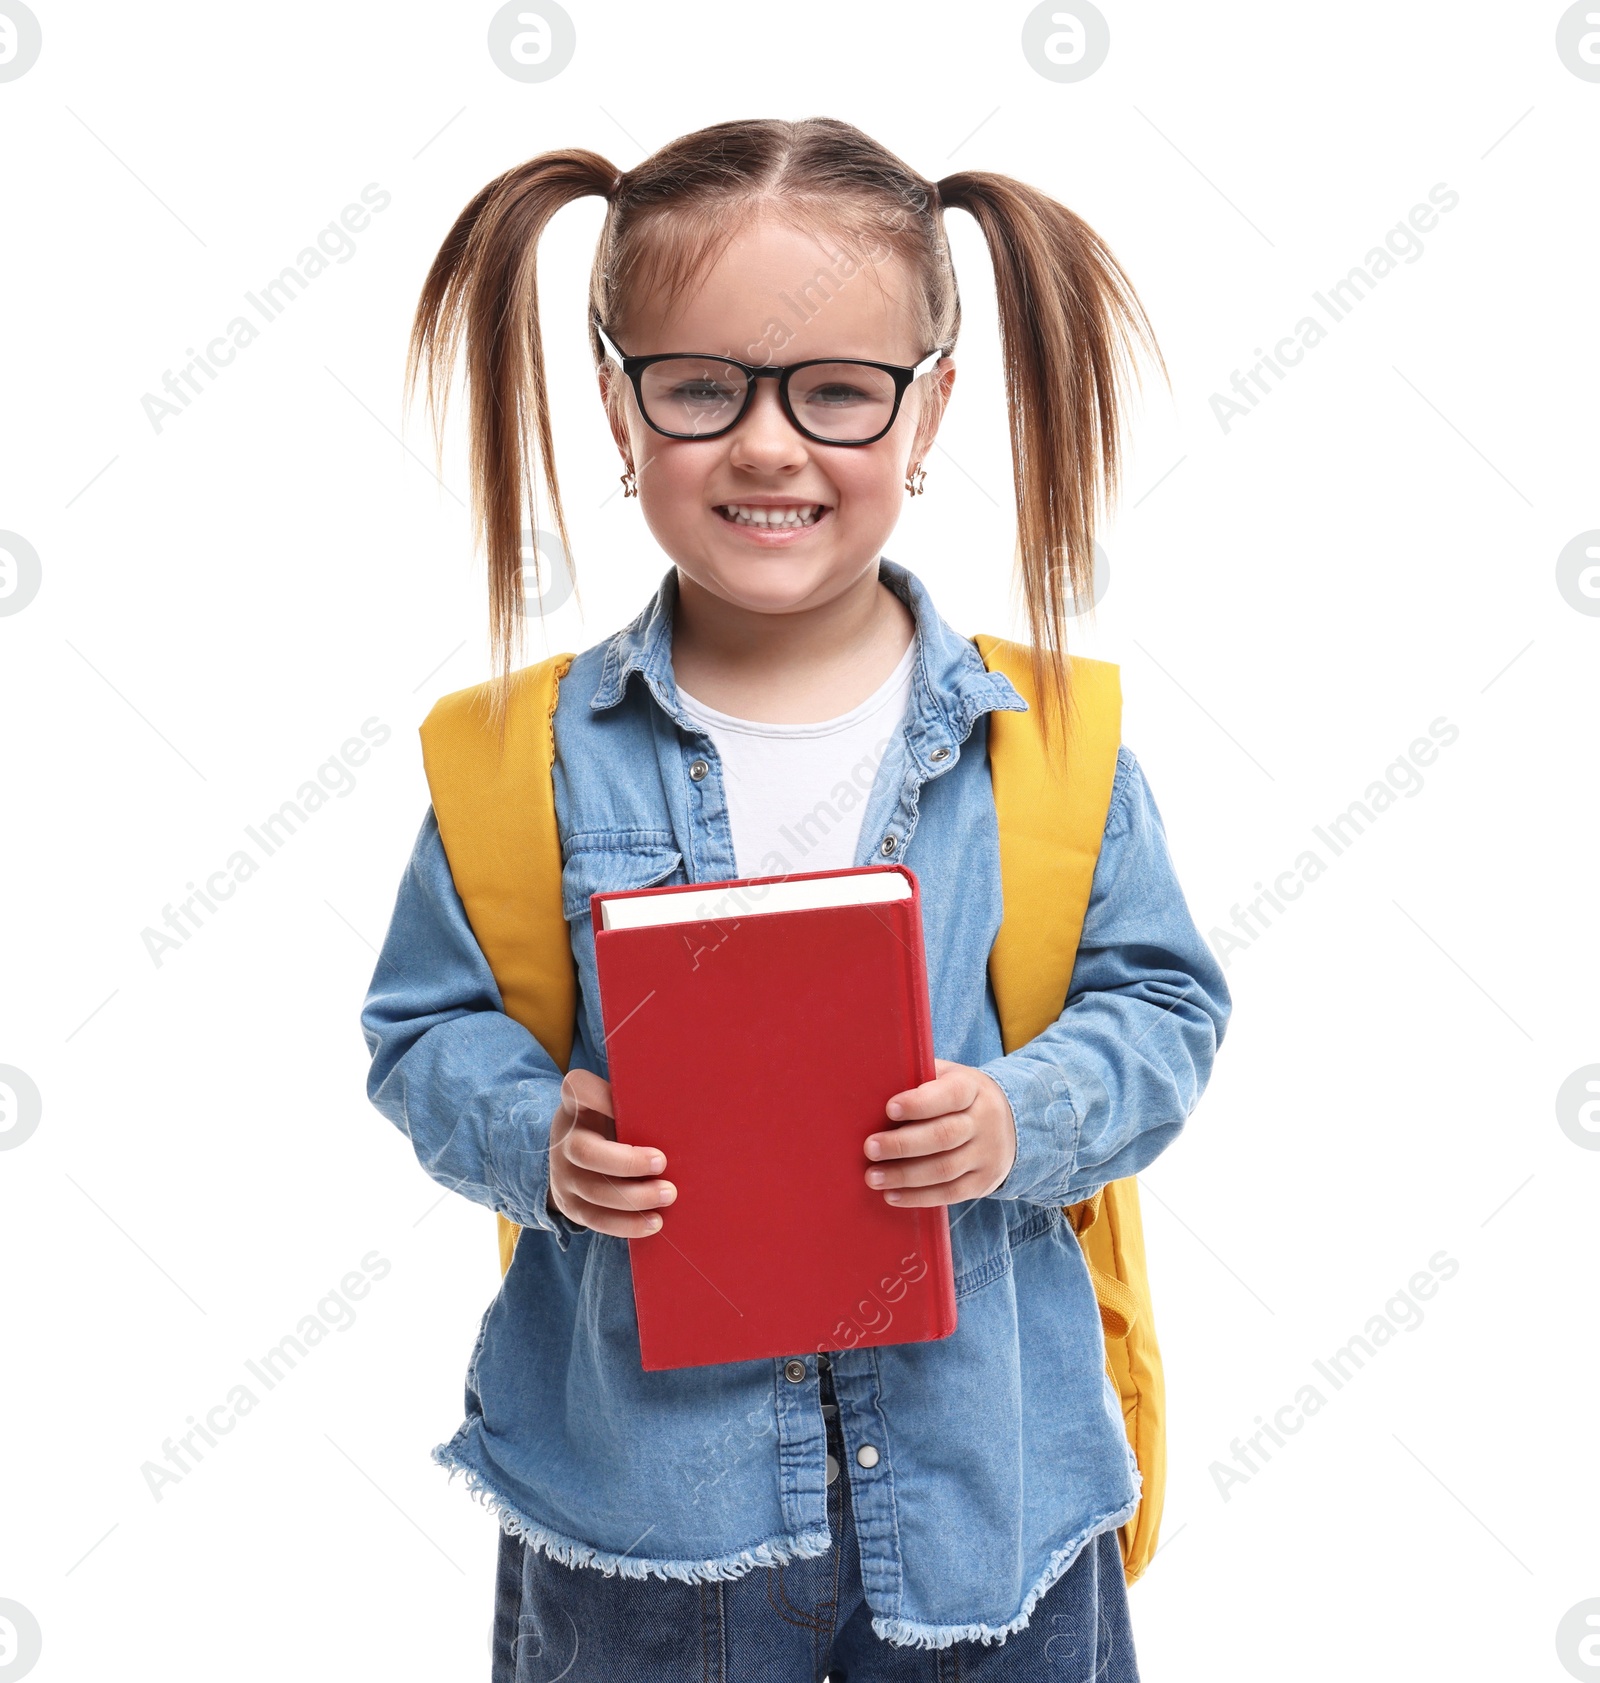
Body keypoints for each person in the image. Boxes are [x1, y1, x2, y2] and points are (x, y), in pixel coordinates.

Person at [361, 116, 1231, 1682]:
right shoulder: (520, 762)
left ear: (929, 411)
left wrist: (1021, 1116)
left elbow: (1163, 1008)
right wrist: (537, 1141)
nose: (769, 446)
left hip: (995, 1501)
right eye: (703, 388)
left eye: (838, 391)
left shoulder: (1054, 746)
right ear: (618, 408)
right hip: (641, 1517)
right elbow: (426, 1032)